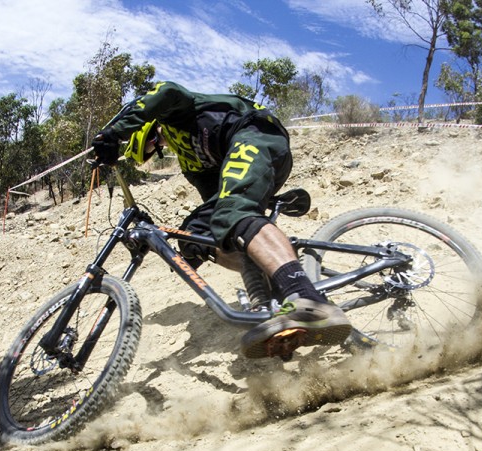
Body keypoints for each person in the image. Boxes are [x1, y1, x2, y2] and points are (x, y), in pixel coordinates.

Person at [92, 81, 350, 359]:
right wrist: (191, 247)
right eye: (156, 150)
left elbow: (164, 93)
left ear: (149, 127)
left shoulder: (175, 110)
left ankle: (304, 295)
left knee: (234, 213)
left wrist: (115, 132)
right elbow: (216, 208)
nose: (161, 146)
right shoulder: (191, 165)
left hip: (256, 133)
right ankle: (267, 304)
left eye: (154, 143)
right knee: (203, 232)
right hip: (245, 161)